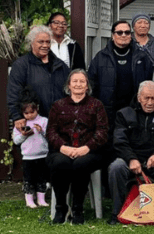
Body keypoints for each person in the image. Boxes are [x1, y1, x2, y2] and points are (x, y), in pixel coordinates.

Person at [108, 81, 154, 225]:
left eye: (153, 98)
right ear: (139, 97)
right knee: (116, 167)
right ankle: (117, 212)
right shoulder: (124, 114)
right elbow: (119, 141)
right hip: (130, 160)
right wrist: (131, 158)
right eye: (146, 98)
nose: (150, 102)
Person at [46, 70, 109, 224]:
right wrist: (63, 147)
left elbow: (103, 132)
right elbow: (51, 132)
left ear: (87, 86)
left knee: (81, 164)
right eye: (75, 81)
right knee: (60, 163)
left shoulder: (96, 105)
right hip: (62, 150)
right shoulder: (58, 105)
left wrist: (86, 148)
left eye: (82, 81)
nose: (78, 84)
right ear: (69, 85)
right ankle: (61, 207)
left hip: (90, 151)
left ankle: (78, 208)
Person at [87, 20, 153, 131]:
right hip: (108, 112)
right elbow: (91, 84)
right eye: (119, 32)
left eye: (127, 32)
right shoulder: (101, 57)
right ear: (113, 35)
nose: (123, 35)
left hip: (135, 111)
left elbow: (151, 82)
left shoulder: (142, 57)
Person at [7, 25, 69, 132]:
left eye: (48, 42)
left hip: (59, 125)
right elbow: (13, 92)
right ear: (32, 43)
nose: (45, 45)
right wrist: (17, 117)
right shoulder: (22, 65)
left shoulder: (60, 65)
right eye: (41, 42)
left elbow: (70, 91)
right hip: (33, 125)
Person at [12, 87, 49, 208]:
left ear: (37, 109)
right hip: (28, 157)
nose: (29, 115)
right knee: (29, 179)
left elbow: (50, 137)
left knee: (41, 178)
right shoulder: (21, 124)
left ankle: (41, 199)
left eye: (32, 112)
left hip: (42, 155)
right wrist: (24, 135)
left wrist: (41, 131)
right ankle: (29, 200)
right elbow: (16, 140)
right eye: (26, 113)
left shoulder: (44, 121)